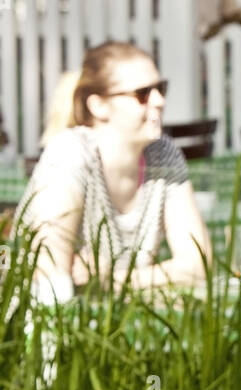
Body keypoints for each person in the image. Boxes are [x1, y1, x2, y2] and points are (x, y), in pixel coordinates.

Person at [16, 41, 211, 303]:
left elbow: (198, 265)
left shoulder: (163, 153)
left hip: (119, 326)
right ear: (99, 106)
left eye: (160, 88)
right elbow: (50, 277)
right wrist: (154, 279)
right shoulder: (70, 153)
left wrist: (109, 279)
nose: (159, 100)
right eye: (143, 93)